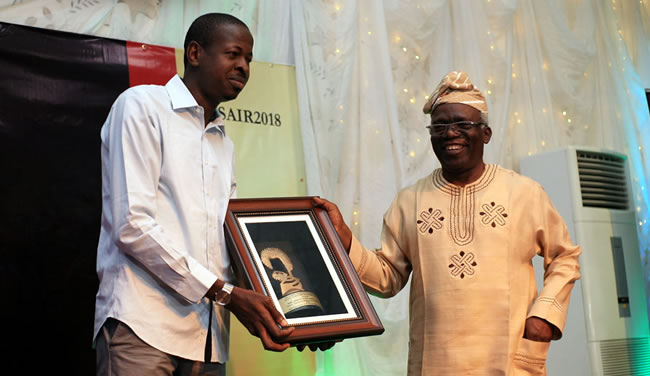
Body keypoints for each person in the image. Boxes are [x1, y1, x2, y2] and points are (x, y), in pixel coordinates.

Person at [315, 71, 581, 375]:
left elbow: (565, 256)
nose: (450, 133)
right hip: (436, 362)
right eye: (439, 126)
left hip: (507, 357)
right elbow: (387, 277)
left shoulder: (524, 193)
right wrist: (346, 240)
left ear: (486, 133)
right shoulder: (409, 200)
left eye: (462, 124)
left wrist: (546, 315)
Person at [94, 13, 299, 376]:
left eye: (249, 59)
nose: (244, 67)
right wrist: (228, 294)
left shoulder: (224, 143)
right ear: (194, 53)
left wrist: (291, 309)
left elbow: (227, 238)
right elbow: (132, 225)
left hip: (209, 339)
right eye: (234, 54)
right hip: (144, 326)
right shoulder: (142, 106)